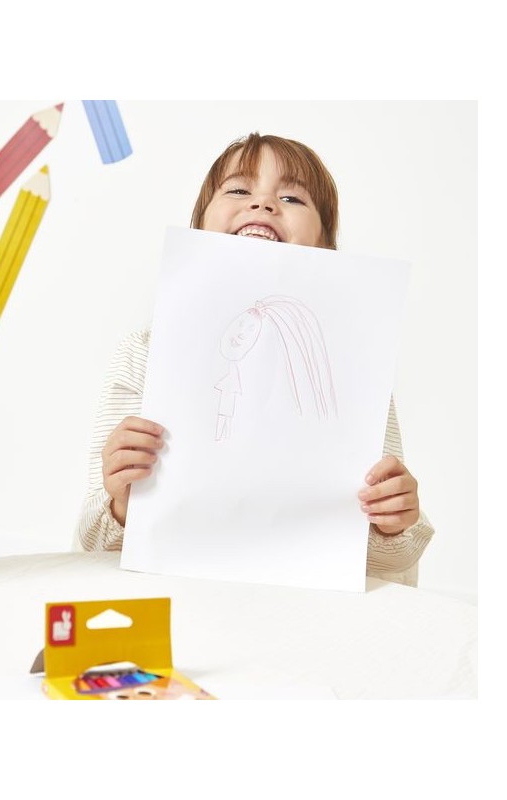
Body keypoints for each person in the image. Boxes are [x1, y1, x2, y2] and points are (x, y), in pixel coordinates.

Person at [76, 133, 434, 586]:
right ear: (198, 230)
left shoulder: (354, 369)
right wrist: (123, 504)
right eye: (238, 189)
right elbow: (92, 542)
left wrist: (394, 522)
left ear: (325, 249)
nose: (262, 204)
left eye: (291, 198)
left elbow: (390, 561)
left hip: (309, 596)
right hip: (177, 587)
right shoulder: (143, 353)